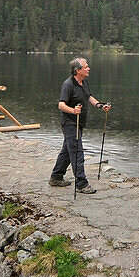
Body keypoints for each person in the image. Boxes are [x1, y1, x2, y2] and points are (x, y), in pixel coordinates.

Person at [49, 57, 110, 193]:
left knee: (66, 151)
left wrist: (100, 105)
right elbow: (61, 105)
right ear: (77, 70)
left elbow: (88, 97)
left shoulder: (84, 83)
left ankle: (56, 177)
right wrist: (73, 111)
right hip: (70, 123)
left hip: (79, 123)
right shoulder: (68, 84)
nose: (88, 68)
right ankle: (81, 184)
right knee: (77, 152)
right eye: (86, 67)